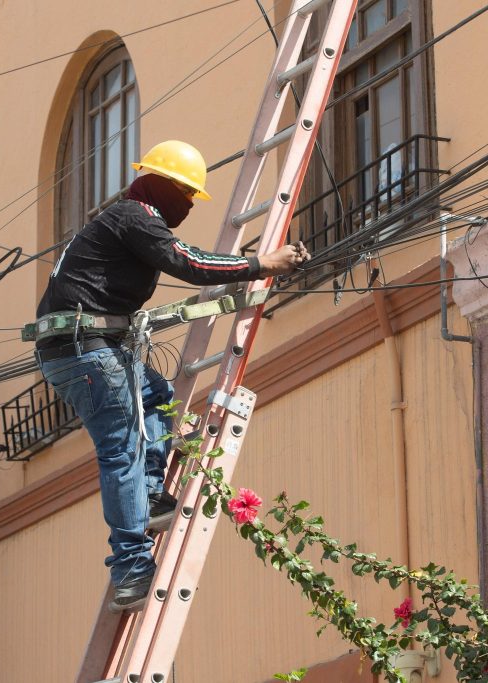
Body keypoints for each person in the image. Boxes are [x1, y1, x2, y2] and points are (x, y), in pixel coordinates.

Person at [35, 140, 310, 611]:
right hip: (89, 352)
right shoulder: (135, 217)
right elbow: (190, 263)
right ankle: (130, 566)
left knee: (157, 393)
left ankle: (148, 494)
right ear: (166, 186)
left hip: (80, 350)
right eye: (186, 195)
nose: (187, 205)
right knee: (120, 450)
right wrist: (262, 263)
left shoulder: (121, 220)